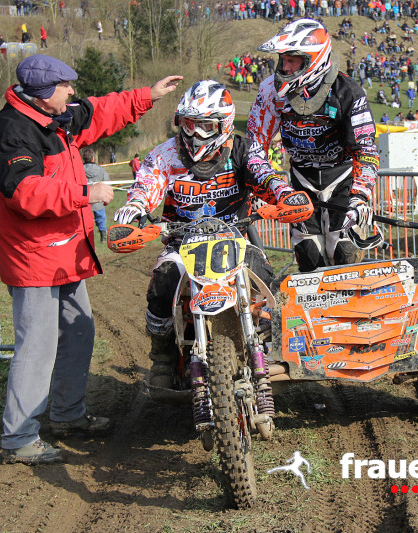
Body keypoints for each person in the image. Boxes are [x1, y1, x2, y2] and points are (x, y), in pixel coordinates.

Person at [0, 54, 182, 465]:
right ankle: (19, 437)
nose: (72, 92)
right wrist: (84, 195)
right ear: (42, 93)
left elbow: (99, 111)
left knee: (79, 331)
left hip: (65, 251)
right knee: (36, 347)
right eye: (65, 86)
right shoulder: (11, 133)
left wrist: (148, 95)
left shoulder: (57, 116)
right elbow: (25, 194)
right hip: (33, 256)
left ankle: (68, 414)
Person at [113, 80, 312, 389]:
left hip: (234, 238)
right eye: (188, 123)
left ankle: (266, 342)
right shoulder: (165, 154)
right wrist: (133, 210)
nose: (194, 133)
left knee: (262, 273)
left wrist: (284, 194)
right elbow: (146, 186)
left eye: (205, 125)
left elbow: (265, 174)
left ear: (224, 124)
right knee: (164, 280)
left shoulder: (243, 149)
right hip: (181, 241)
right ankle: (163, 354)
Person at [247, 19, 379, 272]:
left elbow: (366, 150)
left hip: (342, 178)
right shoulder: (270, 90)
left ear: (314, 59)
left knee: (344, 252)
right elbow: (254, 147)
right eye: (283, 59)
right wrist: (265, 188)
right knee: (309, 254)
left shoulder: (348, 92)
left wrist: (360, 196)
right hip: (301, 178)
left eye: (292, 60)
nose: (285, 67)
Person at [82, 148, 109, 242]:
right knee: (101, 217)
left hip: (85, 199)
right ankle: (103, 236)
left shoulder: (79, 169)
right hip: (98, 199)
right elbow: (107, 182)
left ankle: (89, 237)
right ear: (93, 158)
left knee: (86, 219)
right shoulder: (101, 170)